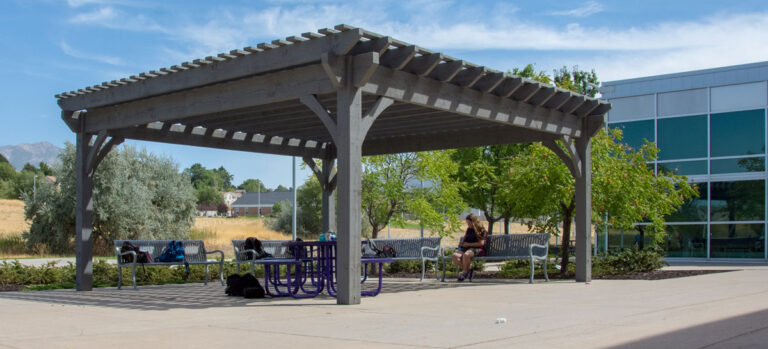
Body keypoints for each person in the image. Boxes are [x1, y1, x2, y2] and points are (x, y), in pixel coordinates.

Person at [452, 213, 487, 282]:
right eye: (467, 223)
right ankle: (468, 271)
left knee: (466, 254)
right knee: (454, 256)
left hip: (478, 249)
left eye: (469, 223)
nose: (468, 225)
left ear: (474, 222)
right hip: (467, 248)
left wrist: (469, 244)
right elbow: (465, 239)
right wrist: (462, 244)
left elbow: (481, 243)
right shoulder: (469, 229)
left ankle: (464, 274)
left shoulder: (481, 230)